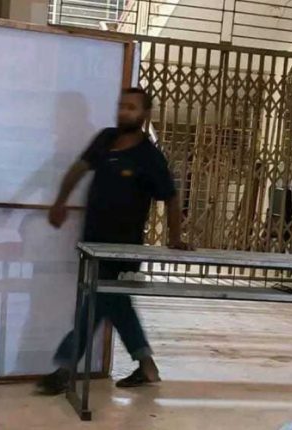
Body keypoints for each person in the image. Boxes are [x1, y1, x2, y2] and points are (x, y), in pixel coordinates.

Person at [36, 87, 191, 395]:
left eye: (132, 107)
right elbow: (78, 169)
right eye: (121, 106)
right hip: (93, 244)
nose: (124, 112)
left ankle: (66, 368)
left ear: (144, 114)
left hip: (122, 249)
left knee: (95, 304)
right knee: (116, 304)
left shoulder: (149, 157)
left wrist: (175, 237)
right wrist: (60, 202)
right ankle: (147, 366)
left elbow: (171, 198)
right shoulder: (106, 139)